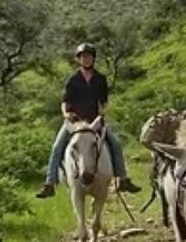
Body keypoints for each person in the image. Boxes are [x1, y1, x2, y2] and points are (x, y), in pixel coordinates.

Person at [36, 42, 140, 198]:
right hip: (75, 122)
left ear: (93, 59)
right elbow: (65, 102)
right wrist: (66, 114)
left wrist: (101, 114)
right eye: (83, 57)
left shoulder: (100, 79)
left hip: (94, 121)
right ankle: (50, 183)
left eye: (89, 56)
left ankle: (122, 179)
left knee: (116, 144)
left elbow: (103, 102)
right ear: (78, 59)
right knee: (57, 147)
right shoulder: (73, 79)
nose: (86, 59)